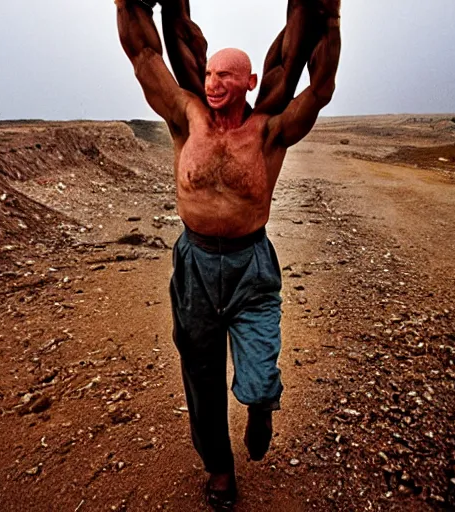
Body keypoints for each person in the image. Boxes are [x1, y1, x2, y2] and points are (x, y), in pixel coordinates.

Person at [114, 1, 341, 509]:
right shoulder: (186, 117)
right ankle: (220, 468)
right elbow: (146, 53)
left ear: (249, 80)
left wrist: (331, 19)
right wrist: (124, 4)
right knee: (201, 376)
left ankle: (261, 405)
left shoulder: (268, 131)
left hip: (250, 266)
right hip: (194, 264)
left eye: (225, 76)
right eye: (210, 72)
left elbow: (319, 88)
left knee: (258, 380)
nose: (212, 83)